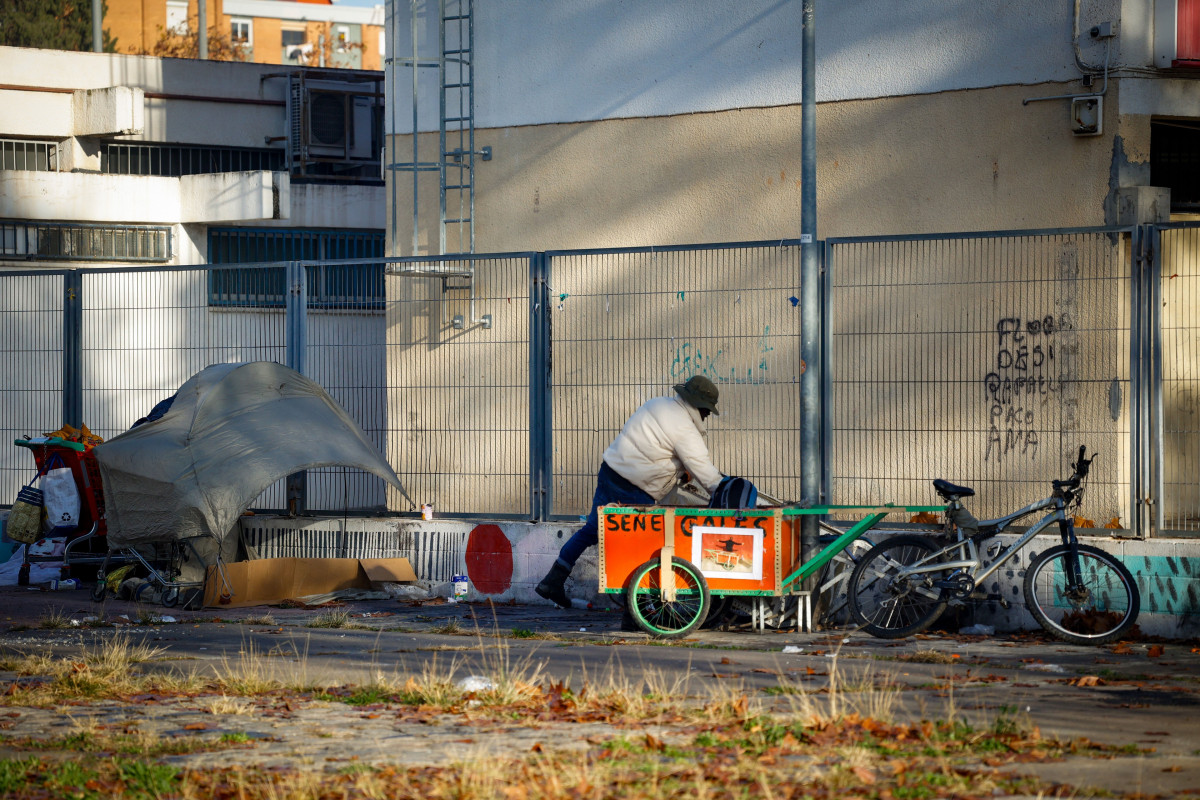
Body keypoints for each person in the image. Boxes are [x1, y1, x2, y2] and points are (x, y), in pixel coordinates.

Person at [535, 375, 726, 608]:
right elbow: (706, 474)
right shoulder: (686, 430)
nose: (706, 416)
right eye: (707, 411)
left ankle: (553, 580)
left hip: (610, 472)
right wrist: (726, 490)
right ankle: (635, 610)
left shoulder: (656, 404)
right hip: (636, 488)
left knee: (592, 529)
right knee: (642, 545)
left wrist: (678, 471)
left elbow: (651, 446)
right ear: (700, 407)